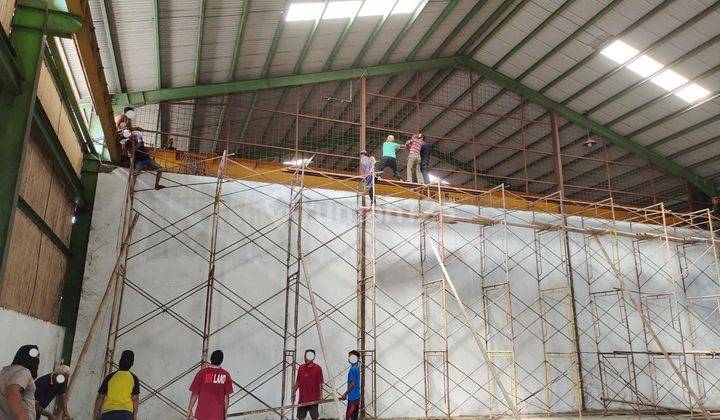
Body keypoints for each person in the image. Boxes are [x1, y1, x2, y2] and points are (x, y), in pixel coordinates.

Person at [186, 350, 233, 420]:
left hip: (202, 413)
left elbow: (195, 393)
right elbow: (226, 397)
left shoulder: (202, 373)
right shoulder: (226, 375)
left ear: (210, 359)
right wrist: (225, 412)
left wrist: (190, 409)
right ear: (222, 360)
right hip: (218, 414)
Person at [94, 350, 139, 420]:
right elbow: (135, 399)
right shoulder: (134, 378)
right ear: (132, 363)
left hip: (108, 413)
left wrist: (96, 413)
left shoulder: (109, 377)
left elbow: (100, 397)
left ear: (120, 361)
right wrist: (134, 414)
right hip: (126, 414)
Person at [0, 345, 40, 420]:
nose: (38, 359)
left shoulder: (4, 371)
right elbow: (12, 393)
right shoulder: (24, 372)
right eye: (37, 356)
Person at [291, 350, 323, 420]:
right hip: (302, 399)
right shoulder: (301, 368)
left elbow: (320, 383)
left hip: (313, 399)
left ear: (313, 357)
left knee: (314, 417)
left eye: (307, 356)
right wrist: (293, 392)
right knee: (301, 417)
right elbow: (298, 381)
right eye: (305, 356)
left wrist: (321, 395)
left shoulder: (318, 368)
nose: (305, 358)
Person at [339, 350, 361, 420]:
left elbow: (353, 383)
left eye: (350, 357)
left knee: (349, 416)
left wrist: (345, 393)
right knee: (354, 417)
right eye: (349, 357)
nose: (348, 358)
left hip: (353, 398)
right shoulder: (357, 367)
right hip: (356, 396)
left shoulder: (353, 369)